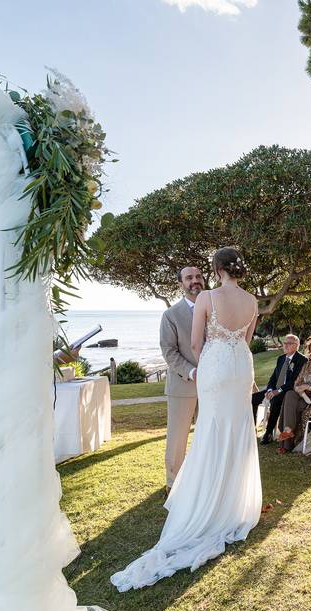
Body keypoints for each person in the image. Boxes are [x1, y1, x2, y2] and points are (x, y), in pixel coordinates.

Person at [112, 247, 261, 591]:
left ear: (216, 269)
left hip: (216, 368)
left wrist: (209, 365)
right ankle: (232, 500)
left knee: (210, 431)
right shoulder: (252, 301)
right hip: (241, 366)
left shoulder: (209, 297)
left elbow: (197, 344)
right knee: (238, 430)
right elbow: (246, 341)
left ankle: (205, 499)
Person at [159, 266, 203, 490]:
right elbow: (168, 351)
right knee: (177, 439)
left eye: (198, 276)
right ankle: (173, 484)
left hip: (212, 387)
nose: (194, 281)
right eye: (189, 278)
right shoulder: (171, 315)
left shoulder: (216, 310)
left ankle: (203, 481)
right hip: (182, 386)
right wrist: (192, 371)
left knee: (208, 437)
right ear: (181, 284)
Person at [252, 334, 307, 445]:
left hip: (289, 392)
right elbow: (273, 377)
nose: (285, 346)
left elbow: (294, 381)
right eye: (284, 343)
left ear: (296, 346)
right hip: (274, 390)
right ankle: (252, 430)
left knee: (276, 400)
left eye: (289, 344)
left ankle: (268, 433)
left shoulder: (302, 360)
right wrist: (269, 390)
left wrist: (277, 391)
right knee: (253, 398)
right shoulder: (281, 358)